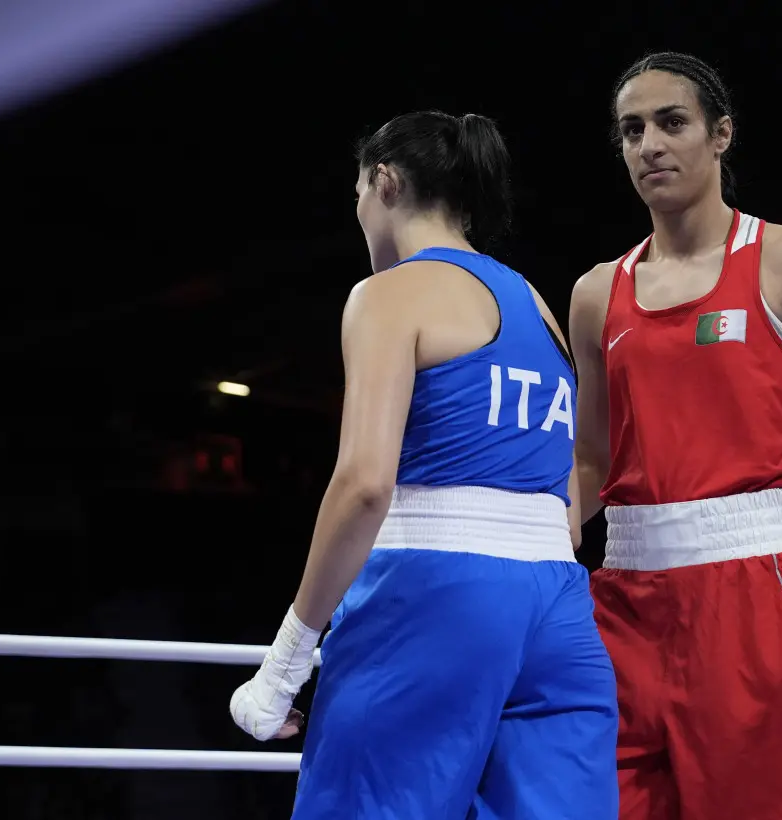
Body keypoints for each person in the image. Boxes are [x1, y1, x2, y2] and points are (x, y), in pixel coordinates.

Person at [230, 110, 619, 820]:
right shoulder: (536, 305)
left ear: (384, 181)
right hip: (559, 611)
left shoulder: (389, 294)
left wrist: (286, 661)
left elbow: (364, 484)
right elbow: (566, 514)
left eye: (356, 192)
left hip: (436, 595)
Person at [569, 52, 782, 820]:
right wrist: (523, 548)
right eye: (632, 130)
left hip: (758, 594)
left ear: (721, 134)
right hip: (621, 605)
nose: (649, 144)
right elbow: (592, 459)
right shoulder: (597, 293)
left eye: (671, 122)